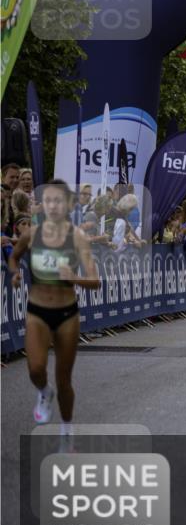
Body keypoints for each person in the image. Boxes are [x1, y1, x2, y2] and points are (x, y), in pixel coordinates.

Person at [7, 180, 100, 452]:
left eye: (58, 200)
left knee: (64, 379)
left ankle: (66, 432)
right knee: (36, 369)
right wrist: (15, 273)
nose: (53, 205)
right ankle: (43, 392)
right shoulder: (31, 234)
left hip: (67, 314)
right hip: (37, 311)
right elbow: (14, 257)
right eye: (48, 200)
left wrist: (74, 278)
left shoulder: (77, 238)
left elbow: (95, 280)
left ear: (68, 204)